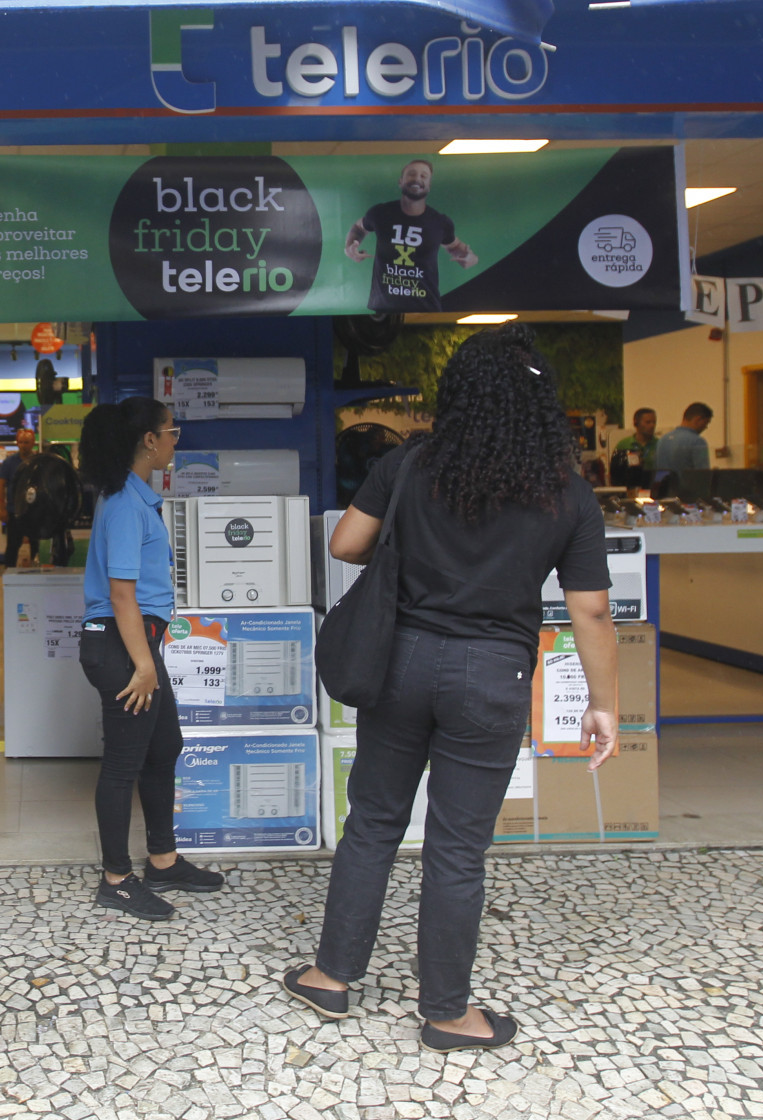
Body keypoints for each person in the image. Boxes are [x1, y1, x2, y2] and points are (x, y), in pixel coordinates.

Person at [282, 324, 618, 1052]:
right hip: (492, 676)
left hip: (400, 661)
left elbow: (345, 543)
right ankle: (446, 1014)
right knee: (458, 847)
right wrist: (603, 705)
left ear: (459, 395)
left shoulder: (410, 465)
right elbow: (591, 610)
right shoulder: (566, 493)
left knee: (374, 821)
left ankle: (331, 977)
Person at [76, 397, 226, 921]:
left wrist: (147, 657)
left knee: (164, 747)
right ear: (149, 440)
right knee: (123, 764)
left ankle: (163, 861)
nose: (173, 442)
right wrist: (143, 665)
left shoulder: (136, 498)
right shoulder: (123, 504)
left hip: (136, 644)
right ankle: (116, 881)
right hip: (121, 646)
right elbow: (122, 595)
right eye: (171, 432)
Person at [344, 158, 479, 312]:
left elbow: (454, 246)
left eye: (423, 176)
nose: (417, 179)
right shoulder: (380, 213)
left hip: (427, 310)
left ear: (429, 186)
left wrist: (470, 258)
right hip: (384, 310)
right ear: (400, 181)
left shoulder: (440, 222)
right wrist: (350, 246)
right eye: (411, 174)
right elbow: (359, 227)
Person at [0, 428, 37, 567]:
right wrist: (2, 509)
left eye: (26, 442)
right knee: (12, 545)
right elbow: (0, 485)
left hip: (34, 512)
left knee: (35, 544)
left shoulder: (37, 461)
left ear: (33, 443)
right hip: (14, 511)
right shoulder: (9, 462)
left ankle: (35, 571)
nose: (23, 445)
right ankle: (8, 572)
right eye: (20, 442)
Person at [609, 408, 659, 490]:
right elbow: (615, 473)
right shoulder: (624, 445)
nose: (652, 425)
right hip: (630, 490)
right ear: (636, 423)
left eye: (654, 422)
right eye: (648, 422)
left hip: (653, 490)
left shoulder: (659, 444)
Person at [656, 403, 714, 472]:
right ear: (698, 419)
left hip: (664, 479)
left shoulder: (662, 440)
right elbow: (703, 472)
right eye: (706, 423)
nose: (706, 427)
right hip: (687, 479)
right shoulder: (698, 442)